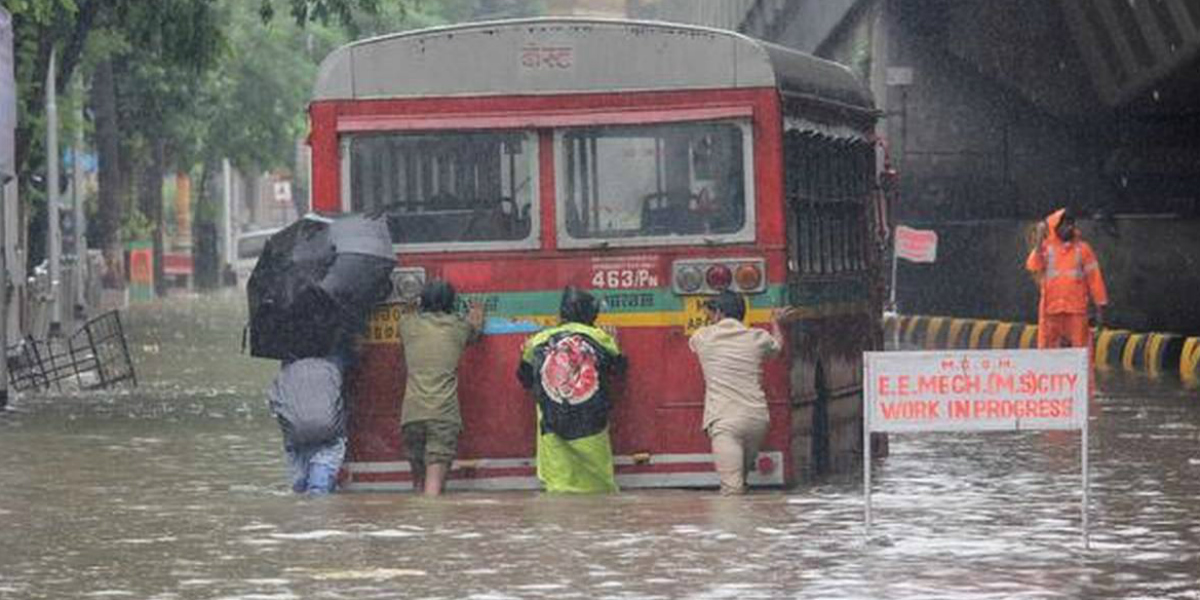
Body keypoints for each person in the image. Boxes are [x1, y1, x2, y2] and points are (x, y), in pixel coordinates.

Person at [517, 287, 625, 493]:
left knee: (558, 491)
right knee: (598, 491)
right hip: (591, 425)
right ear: (591, 314)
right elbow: (619, 369)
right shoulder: (599, 337)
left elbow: (524, 378)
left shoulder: (538, 340)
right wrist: (616, 343)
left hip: (552, 426)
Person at [688, 290, 790, 495]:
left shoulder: (702, 337)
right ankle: (747, 525)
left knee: (732, 490)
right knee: (741, 481)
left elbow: (696, 343)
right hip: (757, 421)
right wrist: (776, 323)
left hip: (725, 423)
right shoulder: (758, 338)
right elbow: (778, 347)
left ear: (718, 313)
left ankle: (732, 525)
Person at [398, 279, 484, 496]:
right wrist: (477, 313)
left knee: (418, 486)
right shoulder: (459, 327)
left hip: (412, 414)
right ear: (451, 303)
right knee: (433, 491)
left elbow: (407, 310)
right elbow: (475, 332)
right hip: (443, 415)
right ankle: (435, 527)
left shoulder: (407, 325)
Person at [268, 349, 353, 495]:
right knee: (319, 486)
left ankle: (305, 496)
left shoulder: (287, 371)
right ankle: (317, 496)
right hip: (327, 431)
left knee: (300, 485)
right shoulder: (334, 365)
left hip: (295, 434)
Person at [1025, 207, 1108, 350]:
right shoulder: (1046, 248)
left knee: (1080, 352)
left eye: (1071, 224)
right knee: (1047, 351)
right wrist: (1038, 242)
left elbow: (1095, 281)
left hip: (1076, 311)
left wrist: (1100, 309)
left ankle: (1083, 374)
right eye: (1065, 224)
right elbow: (1033, 265)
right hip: (1050, 311)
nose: (1069, 228)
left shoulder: (1083, 249)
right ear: (1055, 227)